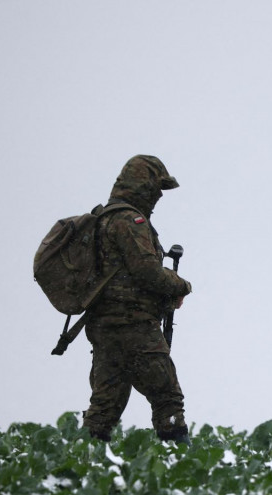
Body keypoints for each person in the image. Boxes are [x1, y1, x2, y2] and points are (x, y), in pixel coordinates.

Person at [81, 155, 193, 444]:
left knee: (103, 409)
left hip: (104, 328)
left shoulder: (102, 219)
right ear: (142, 186)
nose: (157, 196)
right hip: (134, 327)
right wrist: (181, 284)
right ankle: (180, 466)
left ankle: (80, 469)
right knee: (167, 397)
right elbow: (147, 272)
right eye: (156, 189)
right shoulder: (131, 221)